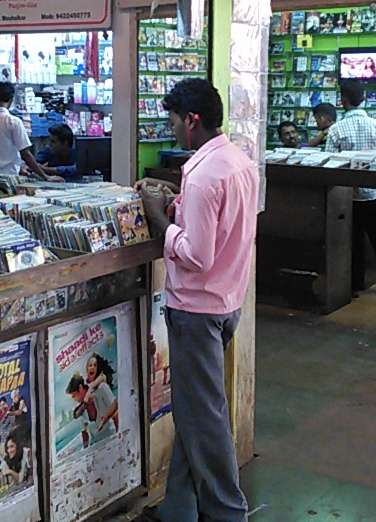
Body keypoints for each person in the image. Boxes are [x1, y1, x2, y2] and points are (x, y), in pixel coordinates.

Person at [134, 78, 257, 522]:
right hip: (226, 301)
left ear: (191, 120)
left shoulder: (205, 176)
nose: (171, 130)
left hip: (197, 309)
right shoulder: (238, 161)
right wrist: (176, 204)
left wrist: (159, 220)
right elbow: (221, 226)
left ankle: (227, 512)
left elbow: (197, 255)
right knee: (193, 410)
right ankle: (178, 508)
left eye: (172, 122)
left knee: (204, 418)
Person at [326, 79, 376, 296]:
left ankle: (354, 285)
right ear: (363, 98)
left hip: (345, 196)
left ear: (343, 99)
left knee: (352, 239)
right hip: (370, 193)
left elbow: (330, 162)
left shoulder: (336, 129)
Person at [0, 82, 61, 181]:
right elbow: (25, 154)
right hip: (8, 176)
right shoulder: (13, 122)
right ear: (11, 100)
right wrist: (45, 177)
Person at [67, 371, 118, 448]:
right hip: (95, 445)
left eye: (74, 396)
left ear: (80, 388)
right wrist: (85, 450)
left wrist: (106, 418)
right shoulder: (80, 410)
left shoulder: (101, 389)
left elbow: (114, 405)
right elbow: (85, 433)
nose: (74, 399)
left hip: (111, 437)